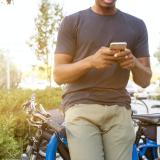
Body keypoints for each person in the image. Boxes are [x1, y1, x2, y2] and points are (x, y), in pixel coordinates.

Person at [53, 0, 152, 159]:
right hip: (81, 107)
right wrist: (90, 62)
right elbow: (58, 75)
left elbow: (145, 80)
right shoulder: (72, 22)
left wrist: (133, 63)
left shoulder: (137, 25)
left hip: (119, 109)